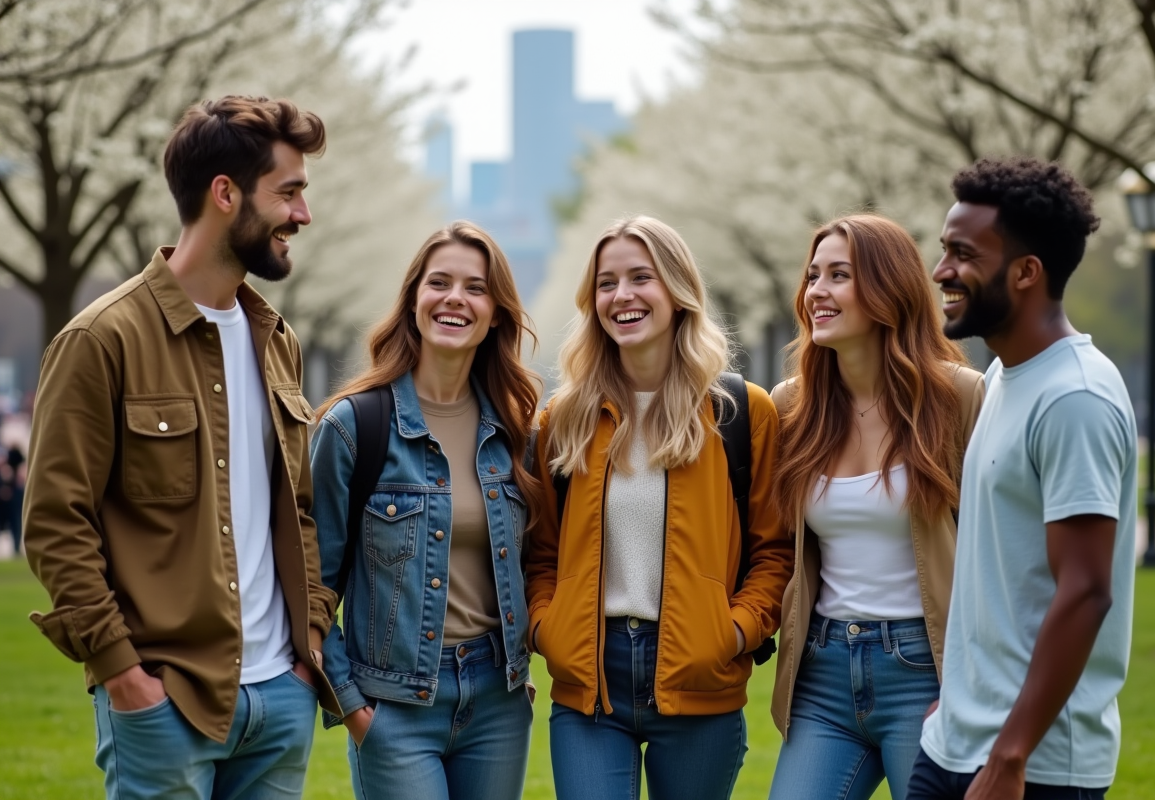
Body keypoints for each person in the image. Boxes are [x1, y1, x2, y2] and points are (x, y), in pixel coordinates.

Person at [23, 96, 338, 799]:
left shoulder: (275, 340)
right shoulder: (101, 340)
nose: (303, 216)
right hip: (165, 701)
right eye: (288, 193)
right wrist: (122, 673)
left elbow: (301, 511)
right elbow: (54, 523)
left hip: (280, 699)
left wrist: (307, 646)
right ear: (225, 194)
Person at [525, 215, 792, 800]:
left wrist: (733, 632)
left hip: (701, 680)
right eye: (606, 282)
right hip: (590, 684)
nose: (621, 296)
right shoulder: (560, 420)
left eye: (640, 277)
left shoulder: (742, 413)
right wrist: (549, 628)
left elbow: (774, 553)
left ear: (677, 289)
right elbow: (539, 551)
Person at [911, 157, 1136, 800]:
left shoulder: (1075, 397)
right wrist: (957, 701)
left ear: (1026, 271)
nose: (941, 271)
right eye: (943, 249)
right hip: (957, 738)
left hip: (1033, 763)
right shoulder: (1006, 378)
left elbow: (1086, 590)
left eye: (962, 253)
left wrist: (1010, 754)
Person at [310, 221, 542, 800]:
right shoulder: (352, 427)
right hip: (395, 704)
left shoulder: (517, 432)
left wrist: (520, 668)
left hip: (498, 702)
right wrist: (353, 706)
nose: (455, 299)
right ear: (414, 301)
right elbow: (311, 584)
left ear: (496, 314)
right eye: (439, 282)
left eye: (475, 287)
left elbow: (538, 563)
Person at [766, 214, 984, 800]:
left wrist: (973, 683)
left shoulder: (959, 397)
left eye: (840, 275)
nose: (817, 291)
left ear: (889, 289)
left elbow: (1000, 553)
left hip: (926, 670)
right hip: (823, 672)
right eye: (813, 276)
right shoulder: (792, 406)